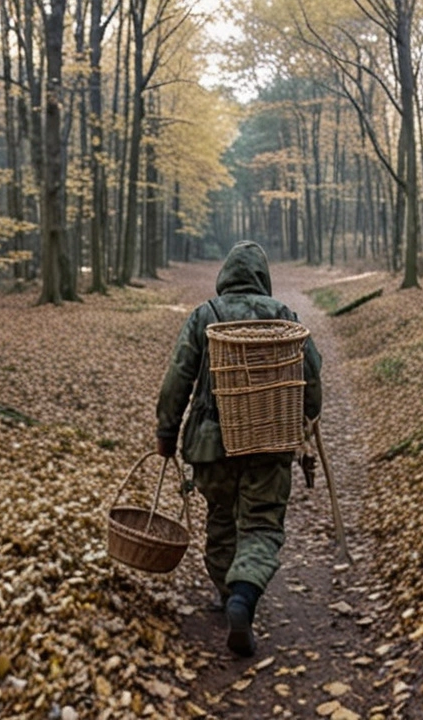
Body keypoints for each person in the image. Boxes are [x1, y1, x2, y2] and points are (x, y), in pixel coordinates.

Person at [156, 241, 323, 657]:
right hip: (270, 442)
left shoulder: (204, 316)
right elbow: (311, 373)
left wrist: (166, 432)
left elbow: (178, 376)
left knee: (220, 518)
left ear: (225, 276)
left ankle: (227, 591)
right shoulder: (284, 318)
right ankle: (243, 598)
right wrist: (307, 416)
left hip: (211, 444)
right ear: (263, 278)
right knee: (262, 525)